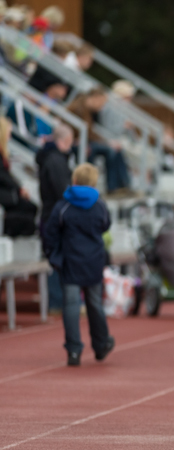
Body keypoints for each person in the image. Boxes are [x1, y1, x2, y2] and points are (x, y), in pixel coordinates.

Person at [42, 164, 115, 367]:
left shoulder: (63, 205)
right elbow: (106, 225)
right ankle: (101, 344)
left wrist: (54, 256)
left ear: (74, 180)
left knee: (71, 306)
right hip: (93, 261)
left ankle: (74, 350)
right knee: (95, 304)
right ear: (93, 182)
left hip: (70, 261)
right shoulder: (99, 205)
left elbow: (50, 233)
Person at [37, 124, 74, 313]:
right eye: (69, 142)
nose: (71, 146)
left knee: (56, 257)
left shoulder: (52, 159)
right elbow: (62, 191)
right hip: (54, 216)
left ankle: (58, 301)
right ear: (62, 141)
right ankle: (57, 302)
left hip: (51, 213)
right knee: (56, 258)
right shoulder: (56, 161)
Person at [69, 88, 131, 193]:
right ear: (95, 98)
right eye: (102, 102)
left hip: (86, 142)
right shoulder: (78, 108)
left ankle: (120, 186)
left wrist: (108, 143)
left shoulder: (90, 111)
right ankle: (112, 186)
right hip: (78, 143)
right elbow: (70, 127)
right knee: (108, 150)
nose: (102, 106)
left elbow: (91, 133)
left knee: (115, 150)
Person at [0, 117, 38, 237]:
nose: (9, 136)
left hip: (7, 192)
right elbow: (3, 175)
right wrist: (19, 189)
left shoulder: (3, 152)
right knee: (29, 211)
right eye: (9, 133)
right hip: (4, 194)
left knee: (31, 208)